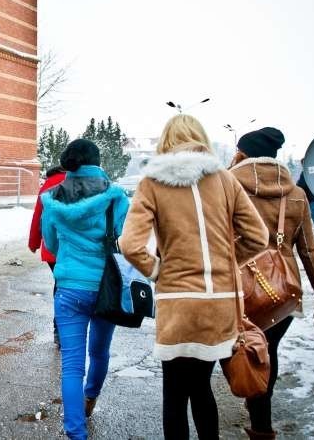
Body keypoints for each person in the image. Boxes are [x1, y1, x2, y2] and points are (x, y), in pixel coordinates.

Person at [119, 114, 269, 440]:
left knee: (174, 394)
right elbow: (258, 237)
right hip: (218, 305)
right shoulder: (226, 180)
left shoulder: (152, 183)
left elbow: (129, 244)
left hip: (177, 305)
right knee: (202, 388)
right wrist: (226, 265)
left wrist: (158, 271)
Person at [229, 127, 314, 440]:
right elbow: (309, 251)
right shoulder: (296, 194)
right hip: (282, 294)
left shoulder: (226, 188)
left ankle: (251, 400)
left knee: (238, 351)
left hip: (235, 293)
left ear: (241, 154)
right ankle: (261, 426)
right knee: (268, 352)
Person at [40, 139, 130, 440]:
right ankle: (91, 397)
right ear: (97, 162)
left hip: (68, 289)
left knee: (71, 365)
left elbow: (50, 243)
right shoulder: (116, 197)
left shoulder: (52, 198)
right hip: (105, 287)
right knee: (100, 352)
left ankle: (76, 433)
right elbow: (123, 238)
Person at [28, 165, 66, 345]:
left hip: (52, 250)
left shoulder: (49, 183)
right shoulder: (77, 181)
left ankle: (59, 330)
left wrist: (33, 242)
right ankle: (66, 330)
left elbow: (38, 214)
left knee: (60, 286)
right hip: (73, 249)